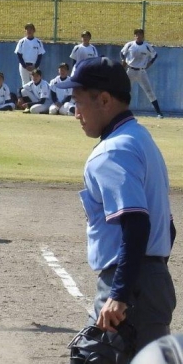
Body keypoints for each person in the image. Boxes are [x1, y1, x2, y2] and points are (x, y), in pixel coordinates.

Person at [59, 57, 176, 362]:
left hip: (131, 289)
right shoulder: (141, 139)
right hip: (148, 284)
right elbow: (168, 227)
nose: (75, 112)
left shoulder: (112, 152)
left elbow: (136, 225)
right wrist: (151, 276)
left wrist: (121, 293)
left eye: (79, 101)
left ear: (104, 100)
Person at [120, 28, 164, 118]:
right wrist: (123, 61)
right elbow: (122, 53)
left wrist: (149, 63)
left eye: (140, 34)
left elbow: (154, 55)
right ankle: (122, 112)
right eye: (136, 35)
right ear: (134, 36)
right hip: (130, 70)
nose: (138, 36)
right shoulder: (130, 45)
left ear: (143, 36)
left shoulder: (146, 46)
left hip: (141, 72)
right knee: (125, 91)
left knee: (149, 91)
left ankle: (159, 113)